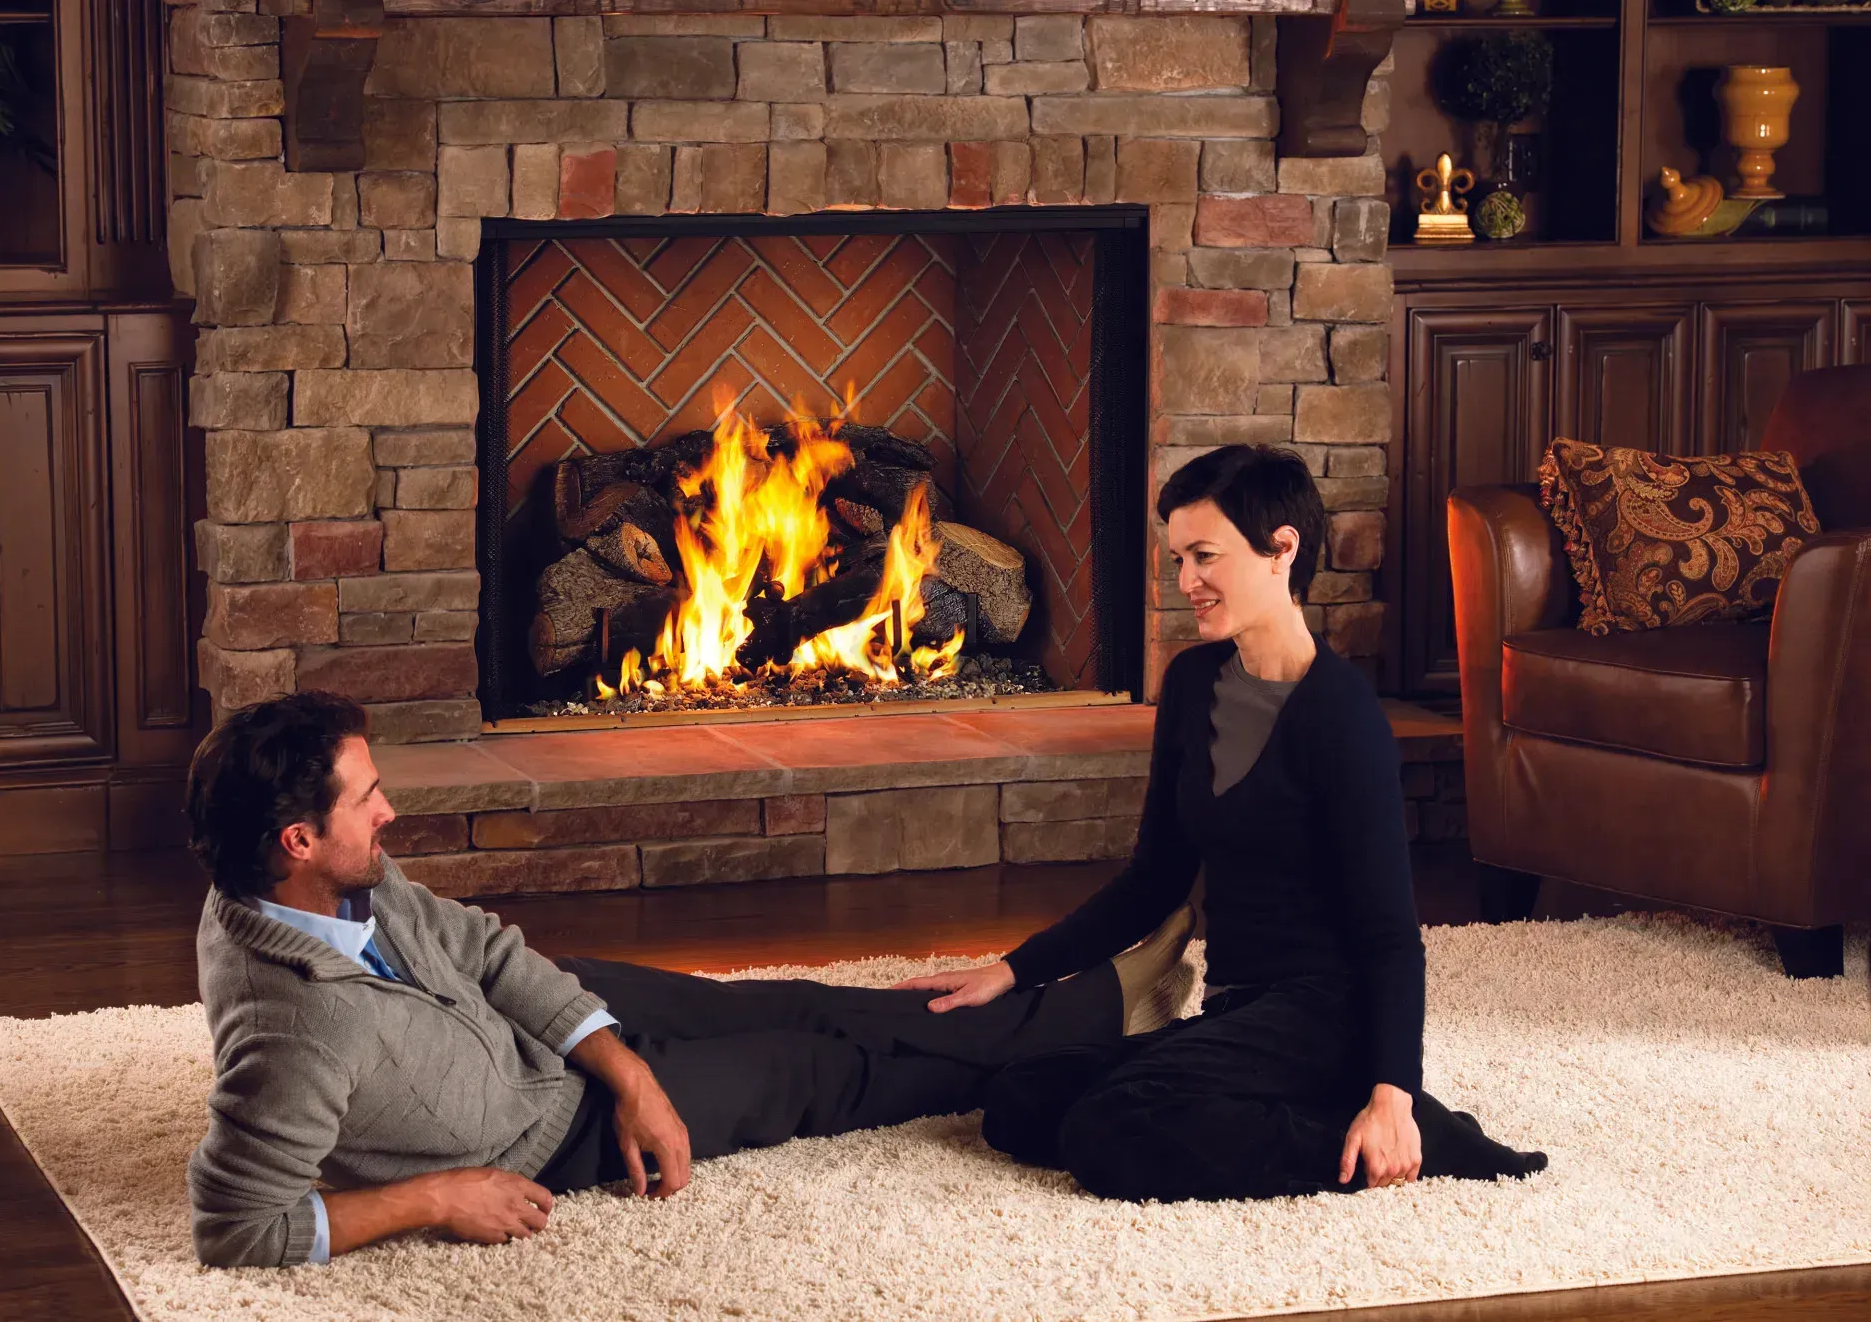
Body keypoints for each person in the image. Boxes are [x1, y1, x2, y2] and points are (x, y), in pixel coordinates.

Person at [182, 692, 1194, 1268]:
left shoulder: (327, 877)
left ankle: (1066, 1000)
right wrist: (434, 1198)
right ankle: (1103, 1023)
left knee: (795, 1003)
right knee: (820, 1070)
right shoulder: (294, 1038)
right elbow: (238, 1228)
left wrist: (629, 1072)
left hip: (558, 1021)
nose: (391, 812)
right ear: (299, 839)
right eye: (369, 800)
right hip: (548, 1130)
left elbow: (488, 953)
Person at [895, 444, 1548, 1203]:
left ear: (1282, 549)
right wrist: (1011, 970)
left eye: (1204, 555)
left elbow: (1390, 936)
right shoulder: (1193, 683)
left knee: (1107, 1132)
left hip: (1322, 1016)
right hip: (1240, 1007)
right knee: (1020, 1101)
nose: (1185, 583)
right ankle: (1302, 1108)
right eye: (1178, 558)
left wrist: (1394, 1093)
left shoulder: (1342, 718)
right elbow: (1154, 879)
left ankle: (1400, 1140)